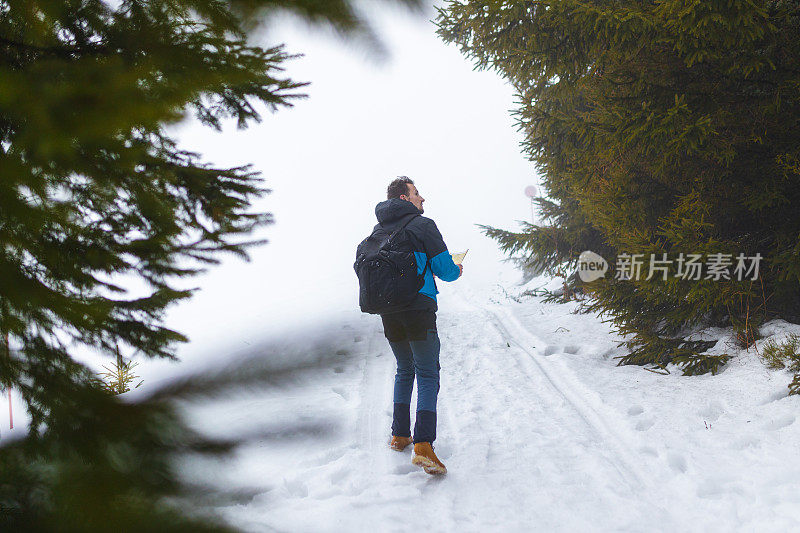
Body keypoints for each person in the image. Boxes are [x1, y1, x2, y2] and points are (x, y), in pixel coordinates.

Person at [374, 176, 462, 475]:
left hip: (389, 312)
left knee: (404, 369)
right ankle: (423, 444)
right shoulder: (423, 225)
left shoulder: (379, 229)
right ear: (403, 198)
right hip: (418, 308)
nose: (422, 199)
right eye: (416, 193)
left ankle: (400, 435)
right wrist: (456, 268)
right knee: (427, 372)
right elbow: (445, 271)